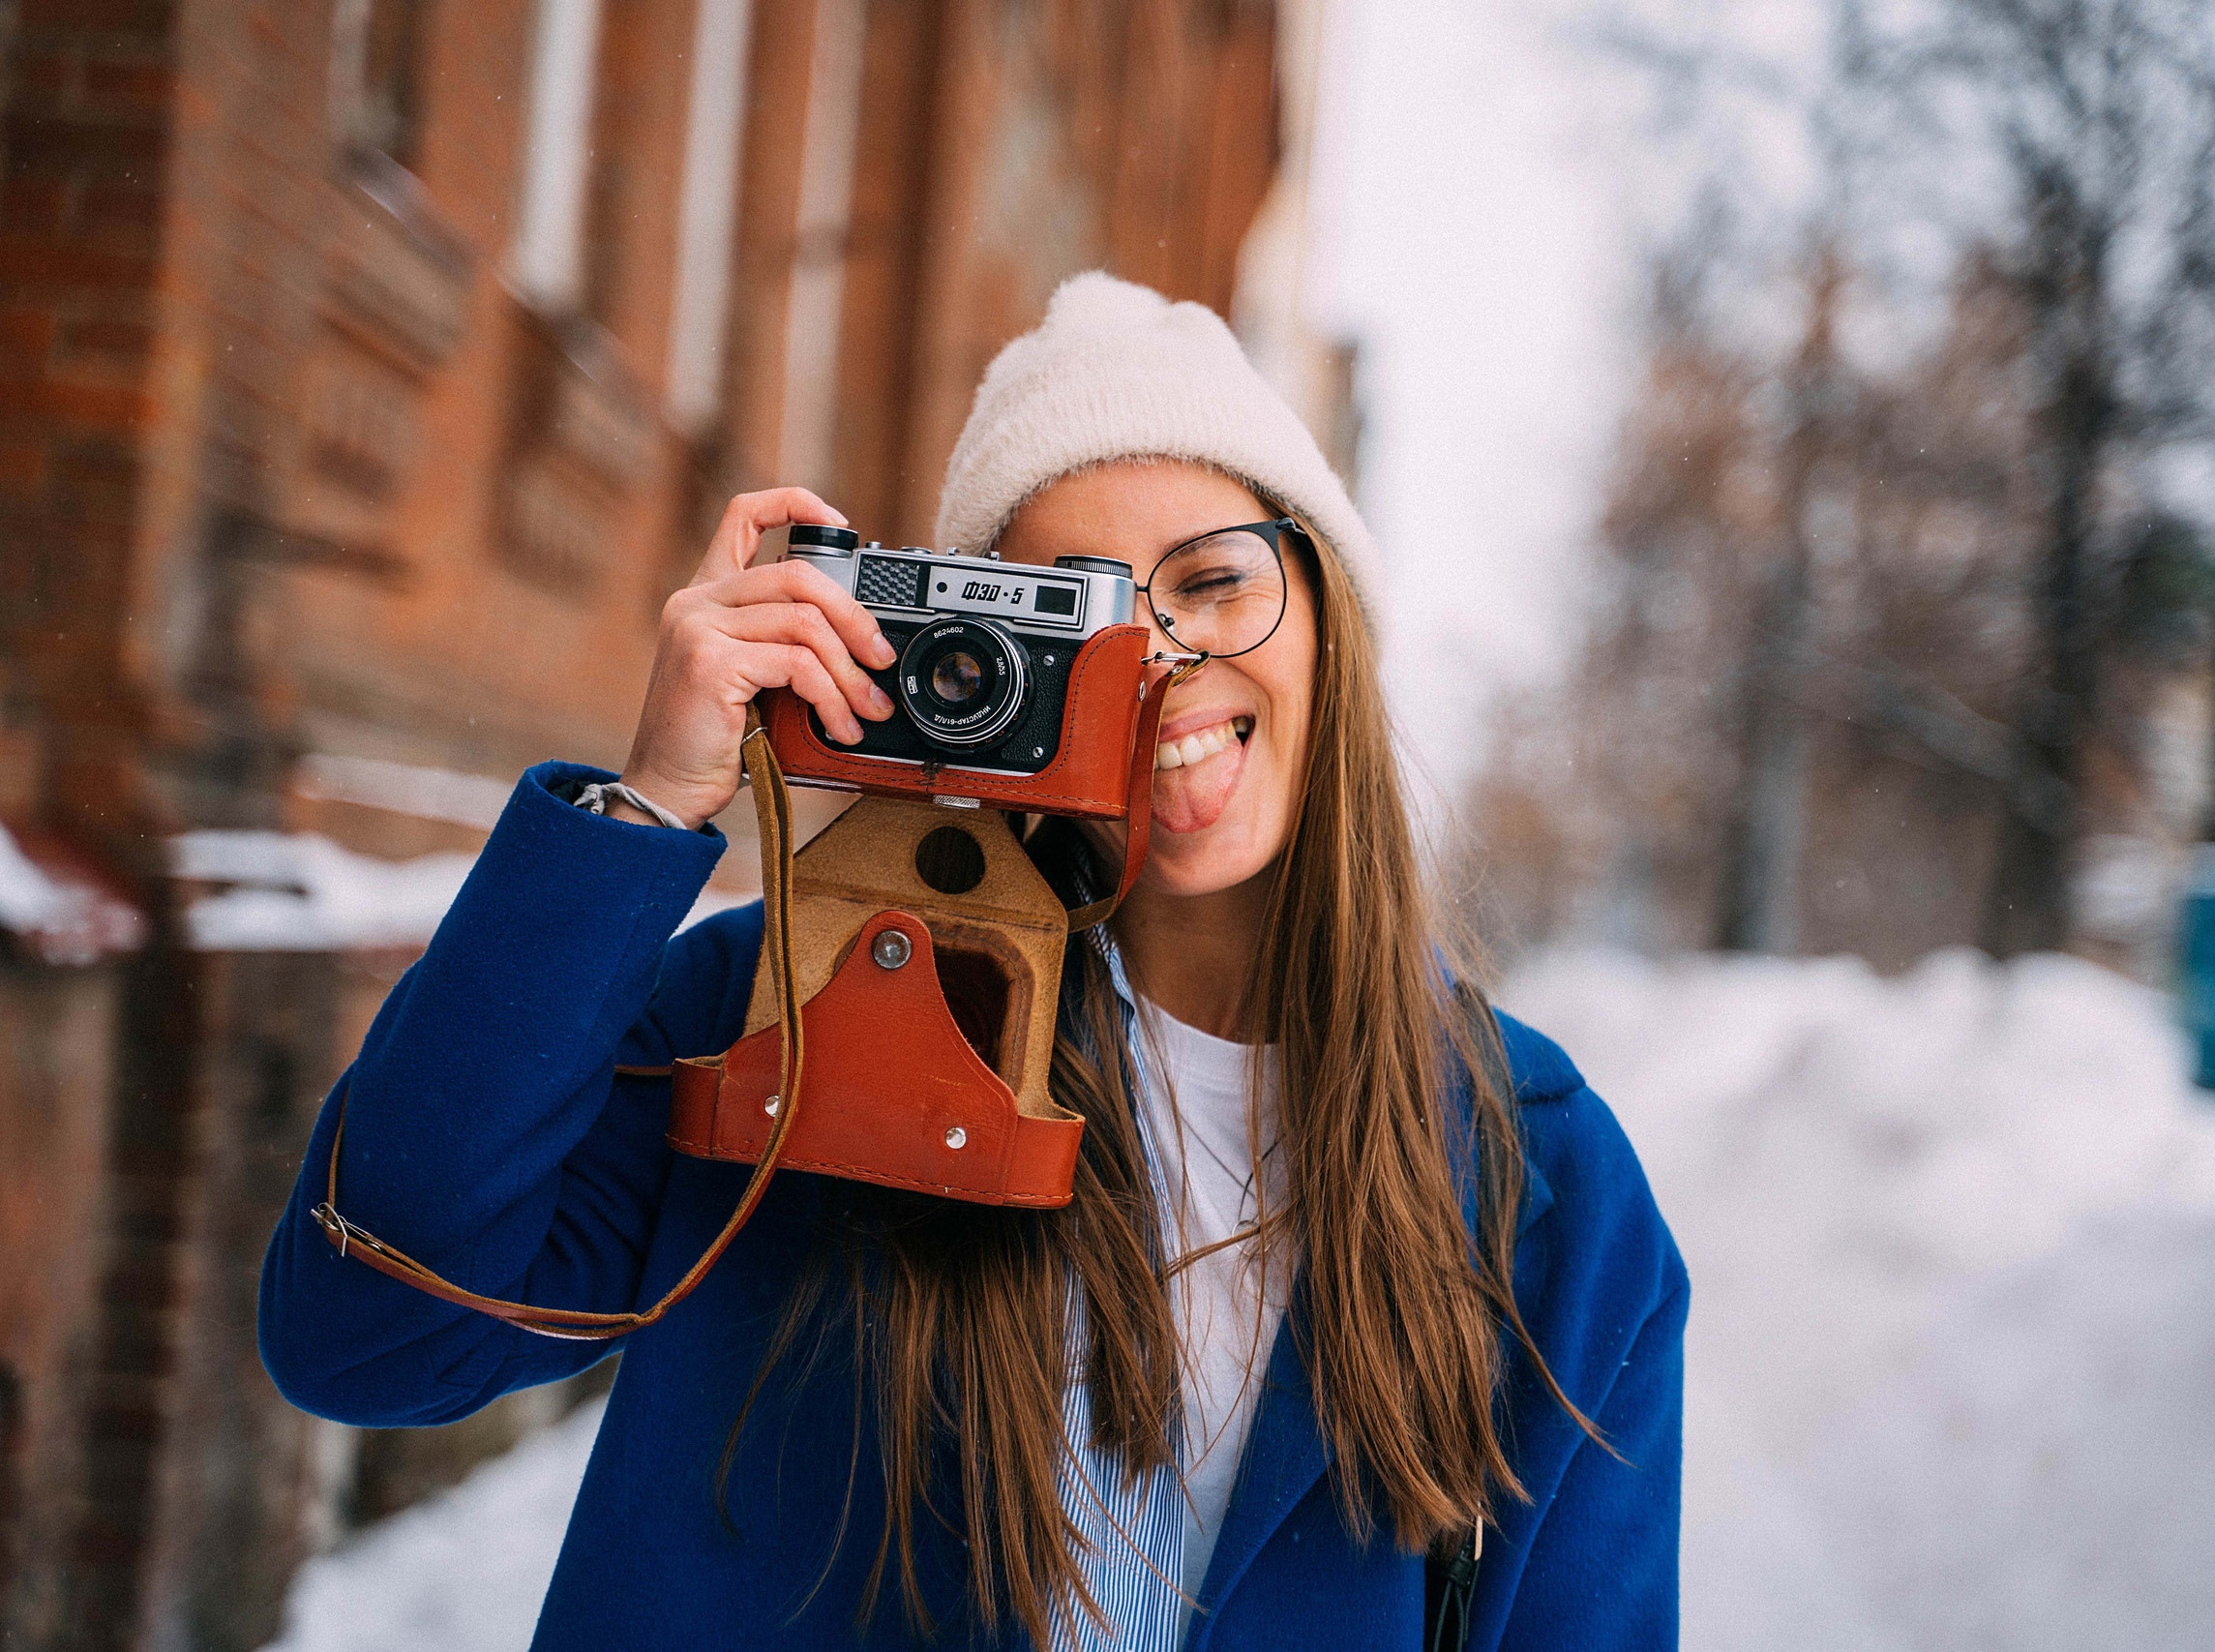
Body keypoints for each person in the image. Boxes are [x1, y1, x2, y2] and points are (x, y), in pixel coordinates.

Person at [259, 273, 1686, 1651]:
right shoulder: (795, 1019)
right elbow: (369, 1332)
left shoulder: (1538, 1182)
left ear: (1326, 612)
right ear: (966, 671)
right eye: (1085, 612)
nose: (1166, 661)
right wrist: (643, 813)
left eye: (1214, 582)